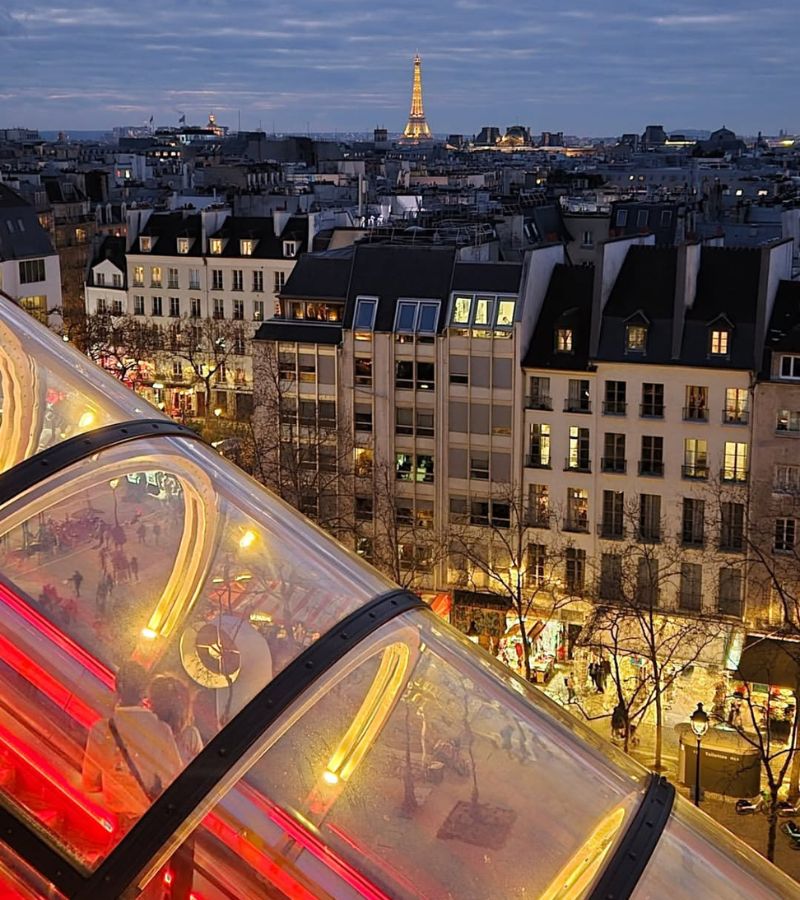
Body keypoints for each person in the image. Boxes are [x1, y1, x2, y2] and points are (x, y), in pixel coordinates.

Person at [82, 661, 183, 832]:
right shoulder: (161, 729)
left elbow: (90, 783)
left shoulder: (101, 730)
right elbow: (175, 777)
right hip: (152, 820)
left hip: (119, 819)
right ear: (144, 691)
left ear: (117, 688)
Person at [148, 675, 203, 898]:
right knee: (181, 869)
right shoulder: (191, 736)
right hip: (181, 813)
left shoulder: (151, 729)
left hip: (151, 808)